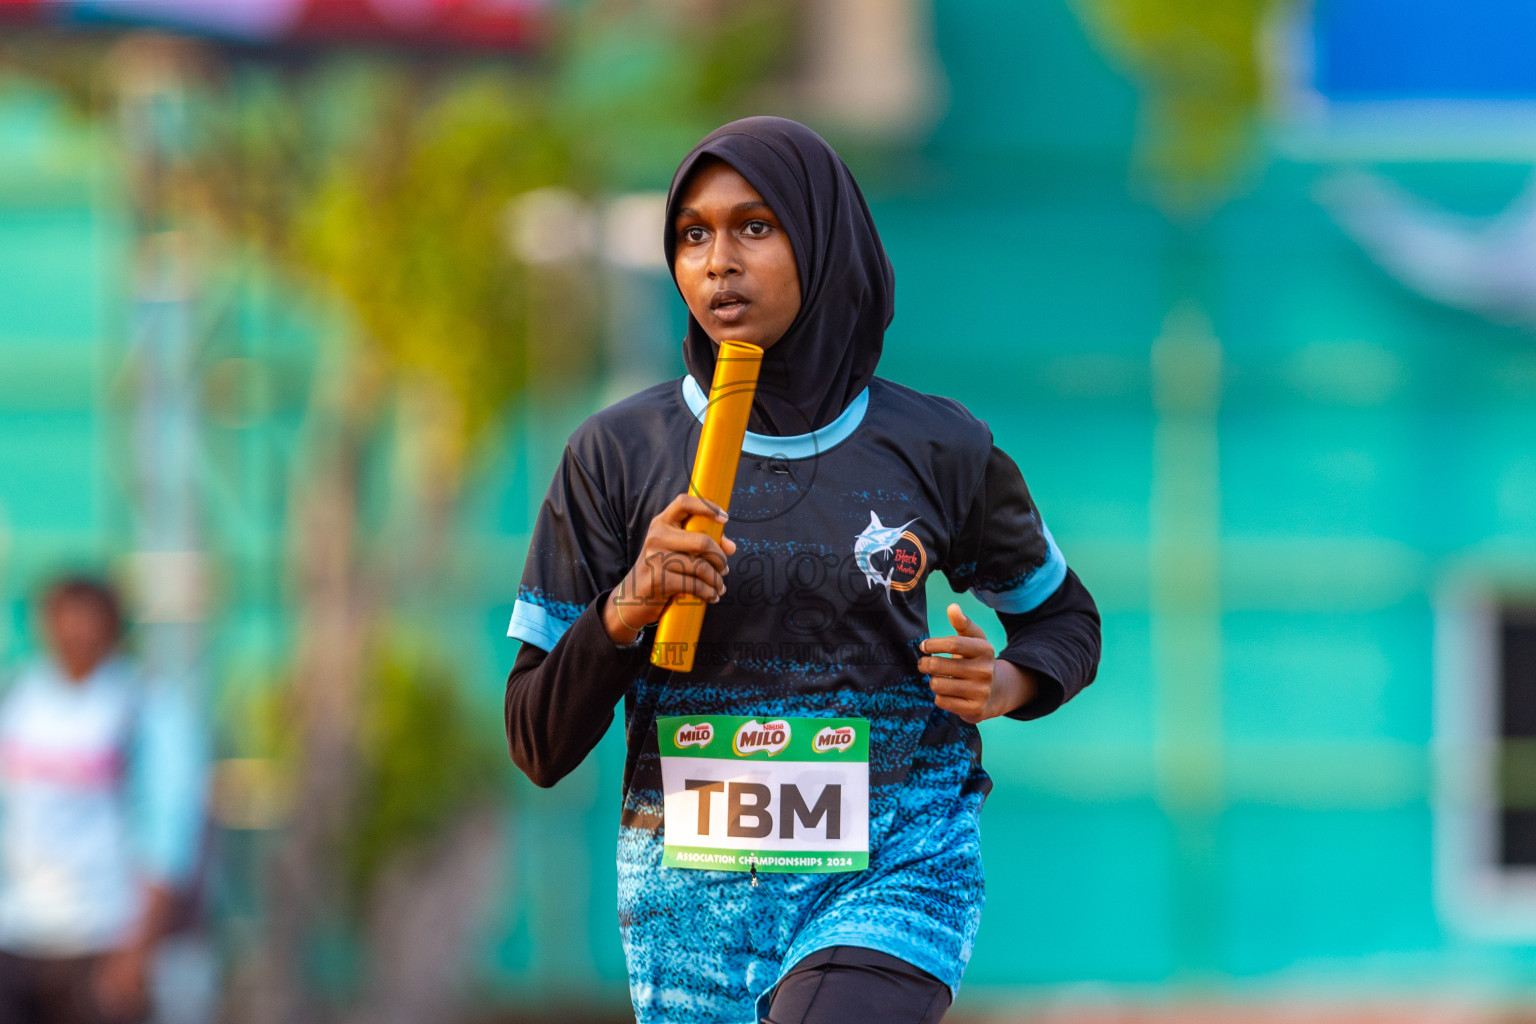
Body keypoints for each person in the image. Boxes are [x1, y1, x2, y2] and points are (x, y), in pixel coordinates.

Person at [504, 116, 1101, 1024]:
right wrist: (631, 604)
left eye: (754, 226)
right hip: (691, 913)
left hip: (895, 874)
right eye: (692, 235)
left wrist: (1006, 682)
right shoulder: (615, 455)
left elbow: (1067, 620)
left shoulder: (940, 447)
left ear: (824, 239)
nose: (717, 261)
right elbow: (537, 741)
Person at [0, 576, 206, 1024]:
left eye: (86, 620)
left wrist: (139, 949)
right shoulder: (18, 700)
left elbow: (169, 833)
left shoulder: (142, 705)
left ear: (112, 626)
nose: (74, 632)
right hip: (18, 934)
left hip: (104, 934)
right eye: (62, 618)